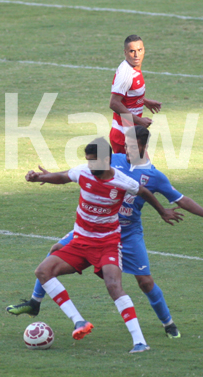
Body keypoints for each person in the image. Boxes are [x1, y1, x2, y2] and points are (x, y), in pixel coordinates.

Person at [8, 126, 203, 339]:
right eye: (125, 145)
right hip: (93, 228)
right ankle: (35, 302)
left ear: (144, 146)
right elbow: (76, 172)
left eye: (133, 146)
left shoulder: (154, 176)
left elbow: (181, 199)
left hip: (128, 233)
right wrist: (47, 176)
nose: (128, 150)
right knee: (55, 250)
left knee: (145, 282)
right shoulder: (112, 160)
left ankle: (168, 323)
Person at [21, 137, 182, 353]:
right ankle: (79, 322)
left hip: (107, 243)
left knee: (114, 286)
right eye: (88, 160)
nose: (90, 165)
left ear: (107, 160)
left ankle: (140, 342)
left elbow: (143, 192)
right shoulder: (84, 172)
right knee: (43, 271)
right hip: (80, 241)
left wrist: (162, 211)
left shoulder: (121, 181)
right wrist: (39, 177)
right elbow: (63, 177)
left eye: (93, 161)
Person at [109, 35, 162, 154]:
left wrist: (143, 100)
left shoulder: (133, 68)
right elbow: (114, 103)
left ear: (144, 50)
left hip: (133, 134)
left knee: (143, 165)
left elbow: (127, 95)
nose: (136, 55)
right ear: (125, 52)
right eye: (132, 51)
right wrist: (139, 120)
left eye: (139, 50)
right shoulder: (126, 74)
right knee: (140, 165)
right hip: (123, 136)